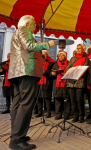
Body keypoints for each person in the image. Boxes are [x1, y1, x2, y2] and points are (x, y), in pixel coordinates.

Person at [8, 15, 56, 150]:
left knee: (18, 103)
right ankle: (17, 140)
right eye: (34, 24)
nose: (35, 27)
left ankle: (16, 134)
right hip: (26, 70)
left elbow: (25, 49)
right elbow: (28, 46)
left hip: (18, 72)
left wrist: (40, 53)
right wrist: (47, 44)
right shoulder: (24, 29)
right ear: (28, 24)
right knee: (26, 104)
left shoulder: (18, 32)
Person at [65, 44, 89, 123]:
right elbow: (68, 67)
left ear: (83, 49)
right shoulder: (73, 58)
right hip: (71, 82)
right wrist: (71, 70)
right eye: (77, 48)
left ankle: (81, 116)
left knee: (79, 100)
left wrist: (76, 70)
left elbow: (84, 69)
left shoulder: (86, 58)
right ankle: (75, 116)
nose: (78, 50)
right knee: (73, 100)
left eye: (80, 48)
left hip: (80, 81)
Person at [50, 51, 71, 120]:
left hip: (65, 84)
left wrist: (66, 73)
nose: (61, 57)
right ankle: (58, 114)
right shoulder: (55, 64)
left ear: (65, 56)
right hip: (57, 84)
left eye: (62, 55)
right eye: (59, 56)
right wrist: (52, 74)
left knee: (66, 100)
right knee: (57, 100)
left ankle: (66, 114)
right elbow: (50, 74)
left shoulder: (69, 64)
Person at [35, 50, 55, 118]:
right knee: (39, 98)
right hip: (38, 81)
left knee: (47, 98)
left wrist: (45, 72)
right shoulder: (38, 61)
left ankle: (48, 113)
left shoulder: (51, 62)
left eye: (44, 54)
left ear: (47, 54)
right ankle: (40, 112)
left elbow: (52, 72)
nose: (43, 56)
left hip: (47, 81)